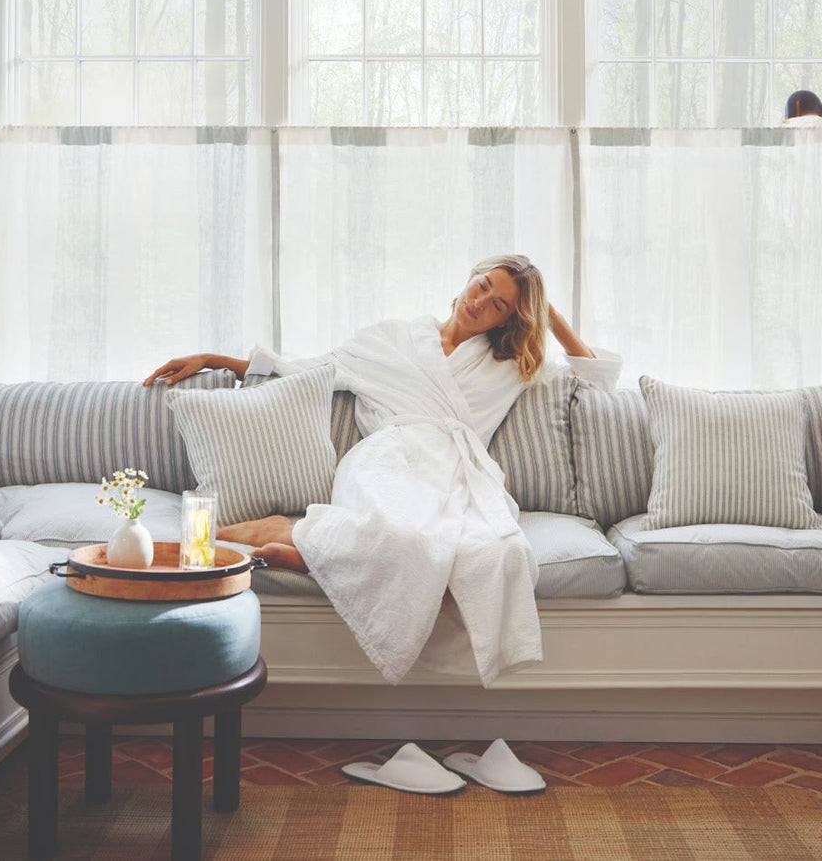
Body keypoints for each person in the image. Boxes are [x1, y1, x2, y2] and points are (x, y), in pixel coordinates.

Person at [143, 255, 620, 686]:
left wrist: (549, 311)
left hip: (454, 471)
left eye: (498, 305)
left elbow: (597, 378)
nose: (481, 303)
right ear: (469, 278)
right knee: (412, 536)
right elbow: (303, 369)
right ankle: (297, 538)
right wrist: (211, 359)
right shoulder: (390, 339)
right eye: (483, 286)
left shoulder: (511, 364)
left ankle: (306, 539)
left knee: (499, 551)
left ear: (509, 320)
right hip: (385, 458)